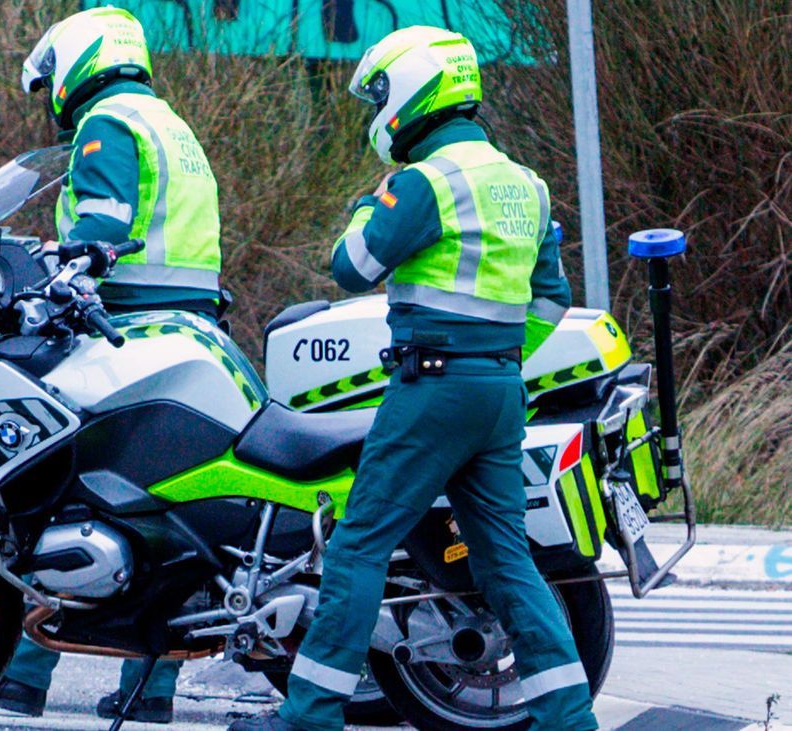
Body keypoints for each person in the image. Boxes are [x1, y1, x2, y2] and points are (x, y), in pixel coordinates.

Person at [230, 26, 598, 731]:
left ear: (412, 90)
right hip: (499, 391)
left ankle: (308, 717)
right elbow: (552, 298)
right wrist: (496, 353)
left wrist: (368, 207)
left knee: (358, 546)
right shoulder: (527, 185)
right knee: (507, 564)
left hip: (432, 387)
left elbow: (353, 266)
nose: (378, 110)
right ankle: (570, 720)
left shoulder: (427, 182)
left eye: (380, 94)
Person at [0, 7, 223, 724]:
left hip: (127, 334)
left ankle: (21, 672)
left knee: (50, 487)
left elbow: (103, 226)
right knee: (161, 512)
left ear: (77, 64)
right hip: (188, 334)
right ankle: (152, 690)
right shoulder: (169, 124)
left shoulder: (108, 124)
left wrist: (49, 277)